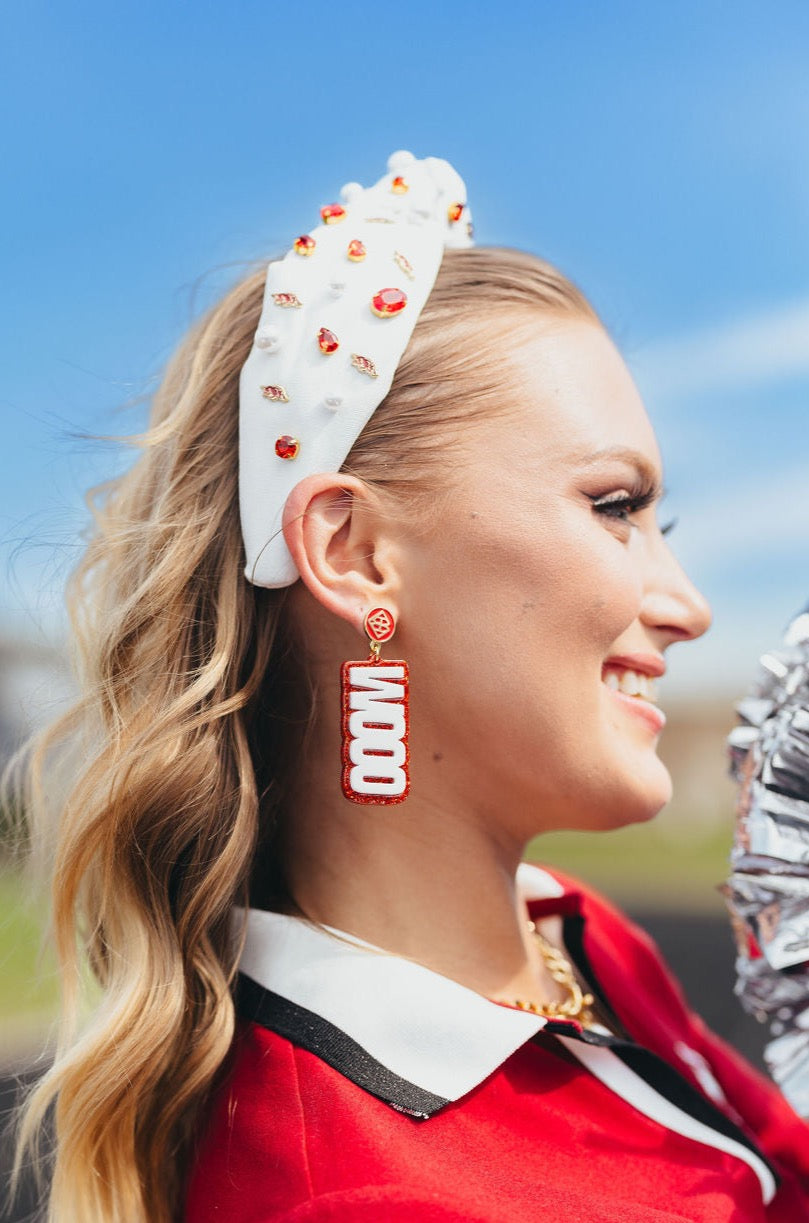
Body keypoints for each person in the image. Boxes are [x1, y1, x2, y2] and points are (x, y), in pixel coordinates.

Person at [12, 151, 809, 1222]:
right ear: (355, 554)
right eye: (613, 506)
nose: (685, 603)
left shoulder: (565, 933)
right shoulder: (364, 1195)